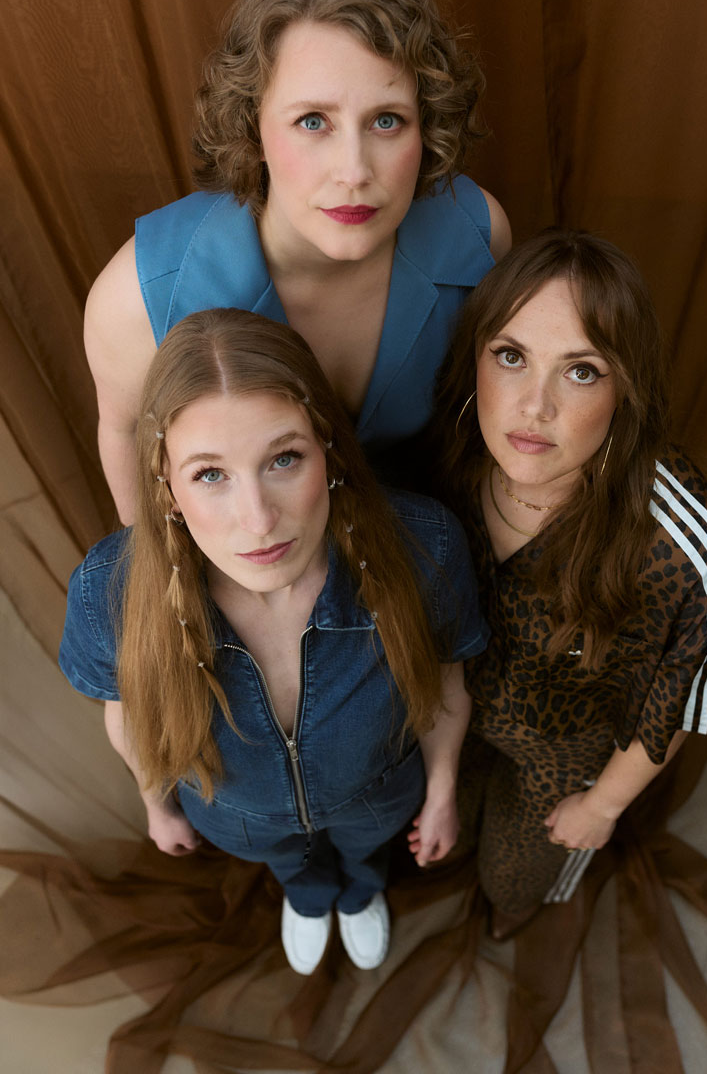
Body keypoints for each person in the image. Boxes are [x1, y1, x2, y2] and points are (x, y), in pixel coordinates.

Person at [60, 309, 487, 975]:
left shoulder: (424, 548)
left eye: (284, 459)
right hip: (239, 818)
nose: (257, 521)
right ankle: (308, 897)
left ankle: (360, 892)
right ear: (166, 487)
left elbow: (447, 689)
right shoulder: (105, 592)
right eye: (210, 474)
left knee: (366, 854)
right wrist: (156, 806)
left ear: (328, 452)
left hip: (379, 798)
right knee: (290, 863)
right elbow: (129, 718)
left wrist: (440, 795)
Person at [84, 0, 511, 523]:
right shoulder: (138, 298)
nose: (354, 171)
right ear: (252, 126)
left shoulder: (477, 238)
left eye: (387, 121)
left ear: (425, 124)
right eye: (313, 122)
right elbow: (126, 437)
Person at [435, 229, 707, 938]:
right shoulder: (451, 457)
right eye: (510, 356)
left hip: (568, 753)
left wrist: (602, 805)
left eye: (580, 371)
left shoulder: (680, 546)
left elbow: (684, 700)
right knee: (444, 825)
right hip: (455, 711)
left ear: (625, 387)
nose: (533, 406)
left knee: (512, 879)